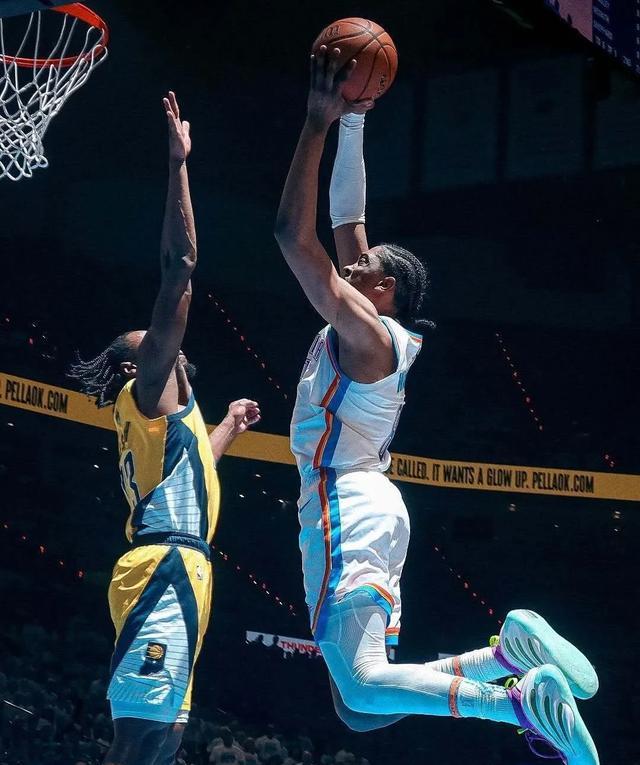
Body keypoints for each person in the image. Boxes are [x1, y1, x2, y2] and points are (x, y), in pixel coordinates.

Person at [274, 45, 599, 765]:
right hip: (371, 502)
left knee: (362, 688)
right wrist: (354, 122)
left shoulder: (367, 338)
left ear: (385, 290)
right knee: (358, 709)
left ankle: (513, 701)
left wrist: (316, 122)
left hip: (342, 499)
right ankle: (503, 657)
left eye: (362, 265)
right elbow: (346, 215)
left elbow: (291, 237)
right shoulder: (377, 330)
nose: (350, 261)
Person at [68, 92, 261, 765]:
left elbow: (191, 467)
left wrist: (227, 426)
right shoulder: (147, 387)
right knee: (140, 737)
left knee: (167, 732)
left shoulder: (162, 419)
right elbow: (179, 268)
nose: (162, 342)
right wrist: (179, 165)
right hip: (165, 567)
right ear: (136, 364)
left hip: (176, 564)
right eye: (149, 341)